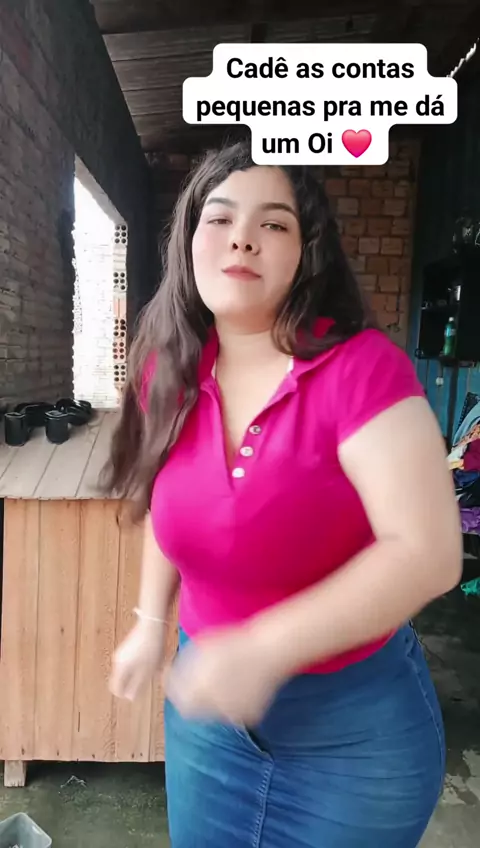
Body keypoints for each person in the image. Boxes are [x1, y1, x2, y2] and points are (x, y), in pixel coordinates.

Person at [104, 139, 462, 847]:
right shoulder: (167, 372)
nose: (243, 236)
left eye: (273, 223)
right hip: (211, 729)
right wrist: (149, 623)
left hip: (354, 738)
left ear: (306, 252)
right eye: (220, 217)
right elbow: (174, 514)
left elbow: (427, 553)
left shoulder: (360, 370)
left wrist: (262, 651)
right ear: (189, 239)